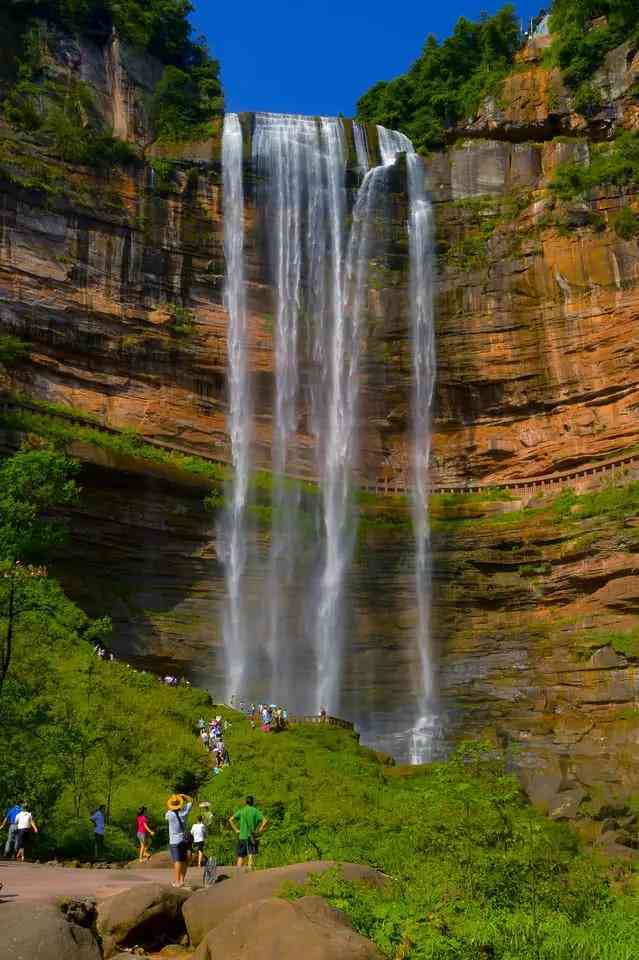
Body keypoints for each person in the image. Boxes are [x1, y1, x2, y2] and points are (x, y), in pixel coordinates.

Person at [229, 796, 268, 870]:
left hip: (242, 836)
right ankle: (250, 872)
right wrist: (260, 829)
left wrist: (236, 829)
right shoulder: (255, 811)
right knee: (251, 854)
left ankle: (237, 873)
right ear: (253, 802)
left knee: (240, 856)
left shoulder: (241, 810)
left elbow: (230, 819)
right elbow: (265, 820)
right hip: (251, 836)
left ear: (245, 802)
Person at [165, 793, 193, 888]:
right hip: (184, 840)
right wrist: (183, 796)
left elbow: (168, 813)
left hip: (174, 841)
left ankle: (177, 882)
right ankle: (182, 880)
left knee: (177, 861)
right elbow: (190, 801)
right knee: (184, 861)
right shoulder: (184, 812)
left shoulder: (169, 814)